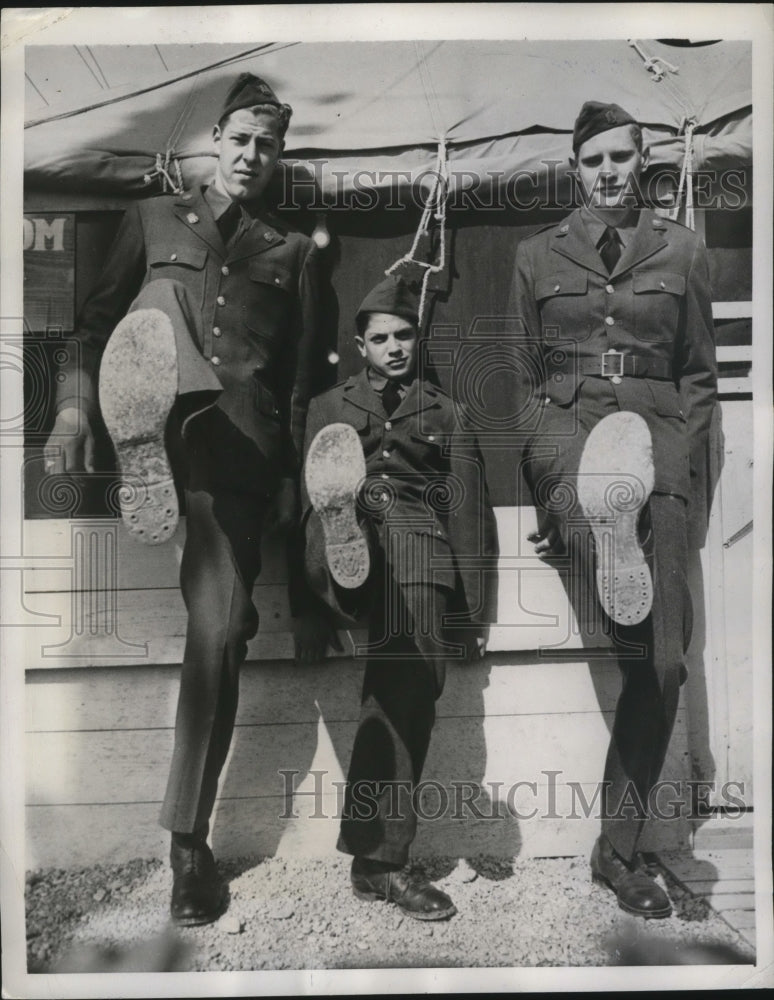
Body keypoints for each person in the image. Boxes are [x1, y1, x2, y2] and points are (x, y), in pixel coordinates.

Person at [42, 72, 334, 926]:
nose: (251, 155)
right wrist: (70, 409)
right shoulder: (153, 219)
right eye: (239, 138)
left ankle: (187, 839)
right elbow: (93, 327)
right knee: (158, 301)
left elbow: (304, 385)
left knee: (221, 633)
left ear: (279, 156)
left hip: (240, 461)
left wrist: (297, 497)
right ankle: (187, 848)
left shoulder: (293, 253)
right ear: (214, 142)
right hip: (169, 432)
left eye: (268, 144)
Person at [508, 101, 717, 918]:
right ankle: (626, 852)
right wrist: (546, 463)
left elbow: (699, 374)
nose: (606, 173)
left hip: (655, 445)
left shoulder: (686, 249)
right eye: (592, 161)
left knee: (663, 663)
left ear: (642, 160)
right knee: (639, 642)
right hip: (572, 439)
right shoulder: (535, 254)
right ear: (575, 167)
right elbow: (520, 376)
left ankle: (613, 848)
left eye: (620, 159)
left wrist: (682, 473)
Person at [300, 275, 499, 920]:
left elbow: (469, 510)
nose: (393, 347)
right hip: (349, 540)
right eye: (379, 338)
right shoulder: (330, 407)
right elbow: (300, 509)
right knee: (399, 687)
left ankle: (371, 856)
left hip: (419, 553)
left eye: (404, 335)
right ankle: (383, 863)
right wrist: (308, 609)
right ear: (361, 345)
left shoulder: (443, 410)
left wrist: (470, 609)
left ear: (418, 339)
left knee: (406, 693)